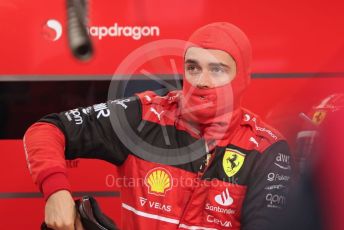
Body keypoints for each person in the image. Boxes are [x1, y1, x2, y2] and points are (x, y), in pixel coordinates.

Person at [24, 22, 293, 230]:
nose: (202, 80)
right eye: (193, 67)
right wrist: (56, 193)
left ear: (243, 77)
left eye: (218, 70)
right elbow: (47, 129)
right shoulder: (146, 116)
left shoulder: (267, 149)